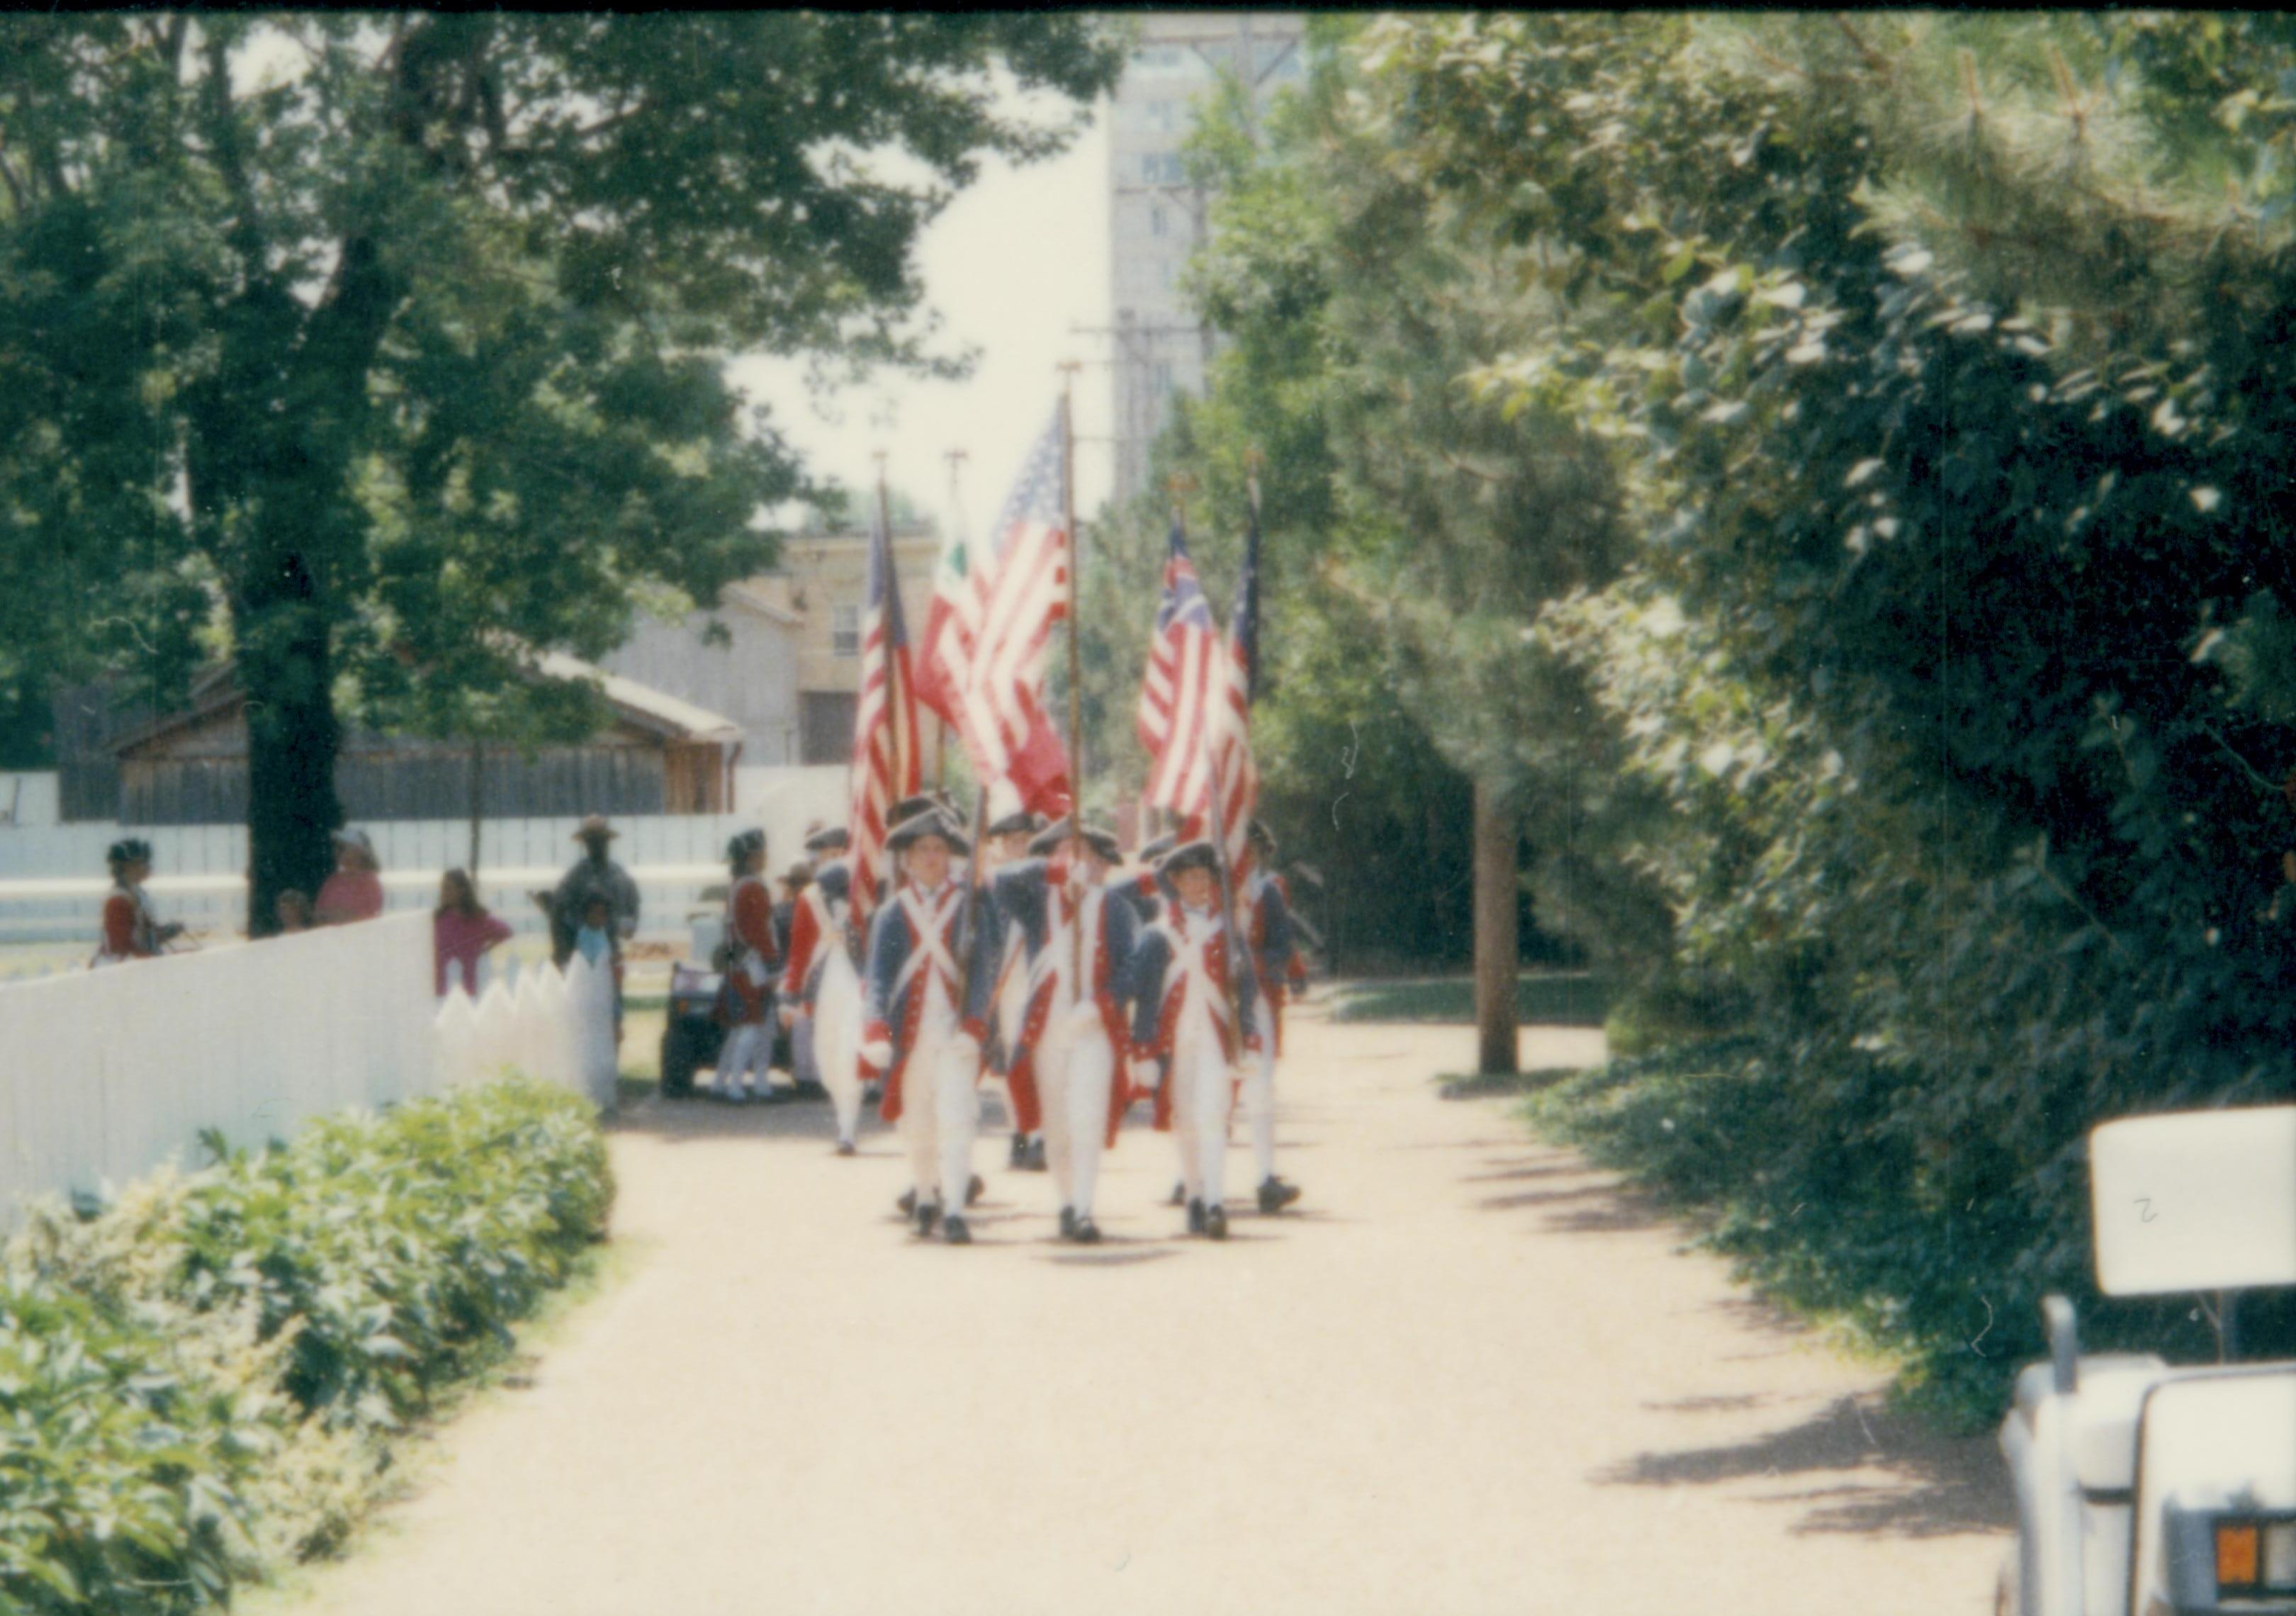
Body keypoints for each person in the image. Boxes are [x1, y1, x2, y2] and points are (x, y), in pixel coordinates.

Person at [991, 819, 1139, 1243]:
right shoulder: (1038, 903)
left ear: (1099, 863)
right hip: (1047, 1030)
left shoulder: (1114, 908)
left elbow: (1133, 969)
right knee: (1056, 1122)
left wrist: (1102, 1004)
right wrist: (1053, 871)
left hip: (1093, 1027)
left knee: (1086, 1116)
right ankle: (1066, 1203)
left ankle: (1085, 1207)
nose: (1079, 863)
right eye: (1067, 853)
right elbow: (1001, 882)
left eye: (1086, 855)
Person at [860, 807, 998, 1245]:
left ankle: (955, 1208)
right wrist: (876, 1028)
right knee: (918, 1123)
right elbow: (879, 978)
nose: (932, 857)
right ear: (907, 859)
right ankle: (925, 1198)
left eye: (939, 849)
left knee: (957, 1121)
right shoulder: (893, 913)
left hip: (957, 1036)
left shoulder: (971, 906)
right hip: (911, 1038)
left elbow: (984, 970)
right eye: (922, 850)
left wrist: (975, 1024)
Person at [1127, 839, 1263, 1240]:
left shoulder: (1228, 931)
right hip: (1176, 1044)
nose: (1200, 884)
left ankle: (1217, 1203)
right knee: (1186, 1120)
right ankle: (1195, 1196)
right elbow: (1147, 998)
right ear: (1175, 883)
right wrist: (1143, 1050)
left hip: (1217, 1041)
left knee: (1213, 1117)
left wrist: (1251, 1036)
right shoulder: (1158, 935)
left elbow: (1246, 990)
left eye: (1205, 876)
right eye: (1191, 877)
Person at [1238, 821, 1307, 1215]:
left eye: (1253, 849)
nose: (1246, 856)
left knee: (1260, 1088)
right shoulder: (1206, 890)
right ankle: (1191, 1181)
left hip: (1259, 997)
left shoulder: (1269, 891)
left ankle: (1266, 1178)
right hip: (1212, 1001)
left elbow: (1283, 944)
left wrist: (1278, 971)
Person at [782, 825, 865, 1152]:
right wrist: (789, 997)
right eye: (827, 856)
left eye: (839, 854)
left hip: (855, 982)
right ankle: (842, 1110)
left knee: (849, 1050)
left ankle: (848, 1128)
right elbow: (799, 952)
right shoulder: (809, 898)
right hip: (823, 986)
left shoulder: (863, 893)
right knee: (827, 1057)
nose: (834, 861)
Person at [981, 800, 1048, 1174]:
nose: (1018, 847)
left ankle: (1037, 1134)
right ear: (1001, 845)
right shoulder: (992, 882)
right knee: (1009, 1058)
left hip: (1035, 974)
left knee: (1035, 1053)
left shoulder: (1040, 879)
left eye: (1025, 840)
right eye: (1012, 841)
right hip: (1004, 980)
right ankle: (1019, 1130)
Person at [714, 829, 782, 1102]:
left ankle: (725, 1082)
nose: (766, 857)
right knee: (752, 1025)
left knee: (746, 1026)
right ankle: (735, 1086)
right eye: (763, 853)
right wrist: (774, 965)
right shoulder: (753, 887)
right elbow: (759, 932)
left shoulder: (738, 885)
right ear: (753, 856)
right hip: (754, 963)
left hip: (740, 961)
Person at [550, 814, 639, 967]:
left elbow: (631, 916)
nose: (596, 845)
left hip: (610, 952)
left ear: (607, 842)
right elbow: (559, 913)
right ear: (586, 844)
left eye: (600, 840)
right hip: (579, 952)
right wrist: (563, 950)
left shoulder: (620, 876)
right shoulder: (575, 877)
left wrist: (623, 926)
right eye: (591, 841)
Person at [91, 838, 179, 966]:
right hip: (117, 967)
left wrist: (165, 933)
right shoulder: (118, 901)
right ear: (127, 867)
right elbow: (121, 948)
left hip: (137, 962)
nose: (148, 867)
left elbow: (142, 935)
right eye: (141, 862)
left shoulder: (137, 893)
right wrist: (157, 963)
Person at [433, 868, 514, 998]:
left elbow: (505, 931)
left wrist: (486, 949)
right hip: (440, 988)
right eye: (443, 888)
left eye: (448, 888)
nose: (443, 893)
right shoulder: (438, 920)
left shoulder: (477, 920)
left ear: (461, 891)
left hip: (470, 987)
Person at [573, 893, 625, 1041]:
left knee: (615, 1021)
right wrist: (610, 961)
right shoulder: (584, 935)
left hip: (607, 985)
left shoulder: (602, 933)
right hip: (593, 988)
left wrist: (615, 959)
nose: (598, 917)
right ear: (586, 915)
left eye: (602, 914)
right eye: (594, 913)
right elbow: (587, 962)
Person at [314, 827, 385, 925]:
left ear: (358, 852)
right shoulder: (333, 881)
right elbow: (318, 915)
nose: (337, 852)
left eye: (342, 848)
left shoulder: (369, 882)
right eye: (336, 848)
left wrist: (336, 915)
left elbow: (368, 916)